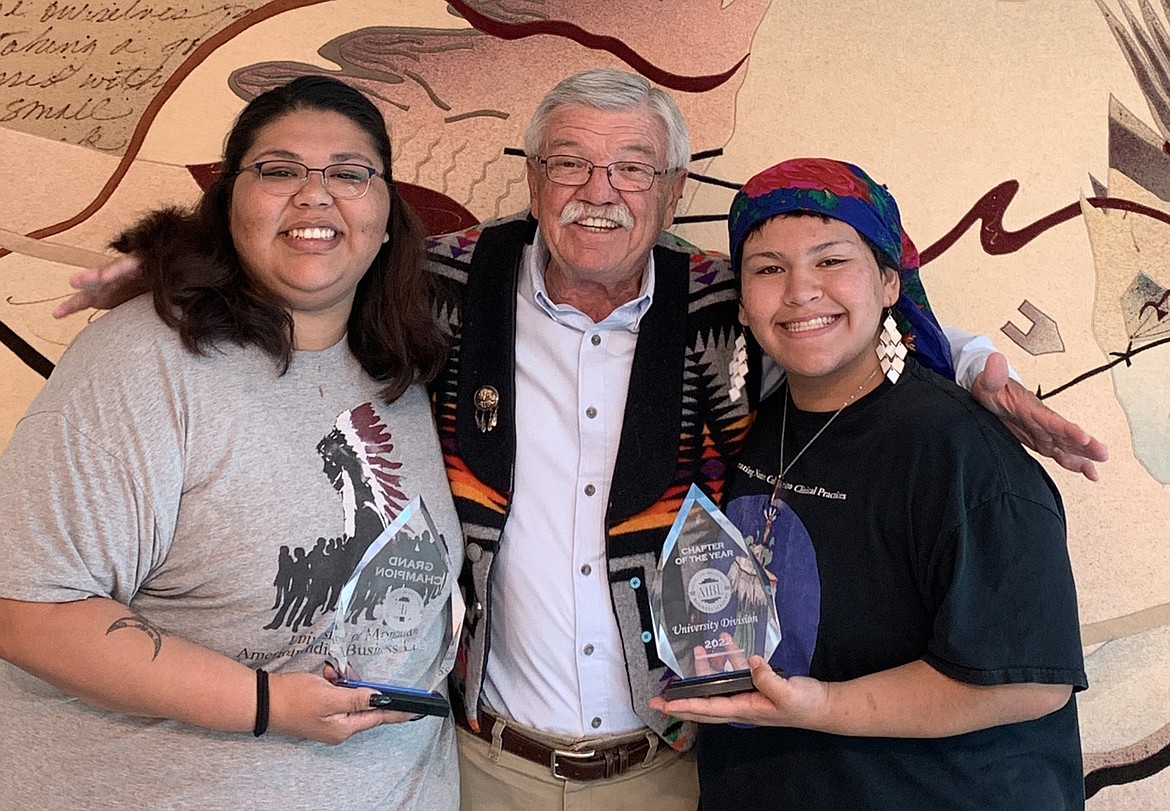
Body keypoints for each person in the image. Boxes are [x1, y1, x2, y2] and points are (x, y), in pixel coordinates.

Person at [52, 69, 1105, 810]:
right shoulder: (454, 285)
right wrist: (179, 267)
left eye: (633, 170)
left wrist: (968, 362)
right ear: (533, 177)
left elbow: (832, 292)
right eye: (570, 164)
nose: (599, 192)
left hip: (677, 766)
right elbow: (317, 246)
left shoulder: (723, 298)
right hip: (477, 766)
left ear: (673, 191)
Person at [0, 76, 463, 809]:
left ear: (385, 217)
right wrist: (267, 704)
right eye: (279, 170)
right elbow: (26, 612)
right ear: (229, 204)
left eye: (350, 174)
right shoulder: (140, 365)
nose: (316, 195)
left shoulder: (401, 362)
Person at [649, 158, 1086, 809]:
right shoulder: (754, 421)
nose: (800, 291)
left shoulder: (961, 451)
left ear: (888, 284)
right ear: (741, 299)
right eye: (769, 268)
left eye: (831, 262)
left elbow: (1028, 681)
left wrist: (822, 704)